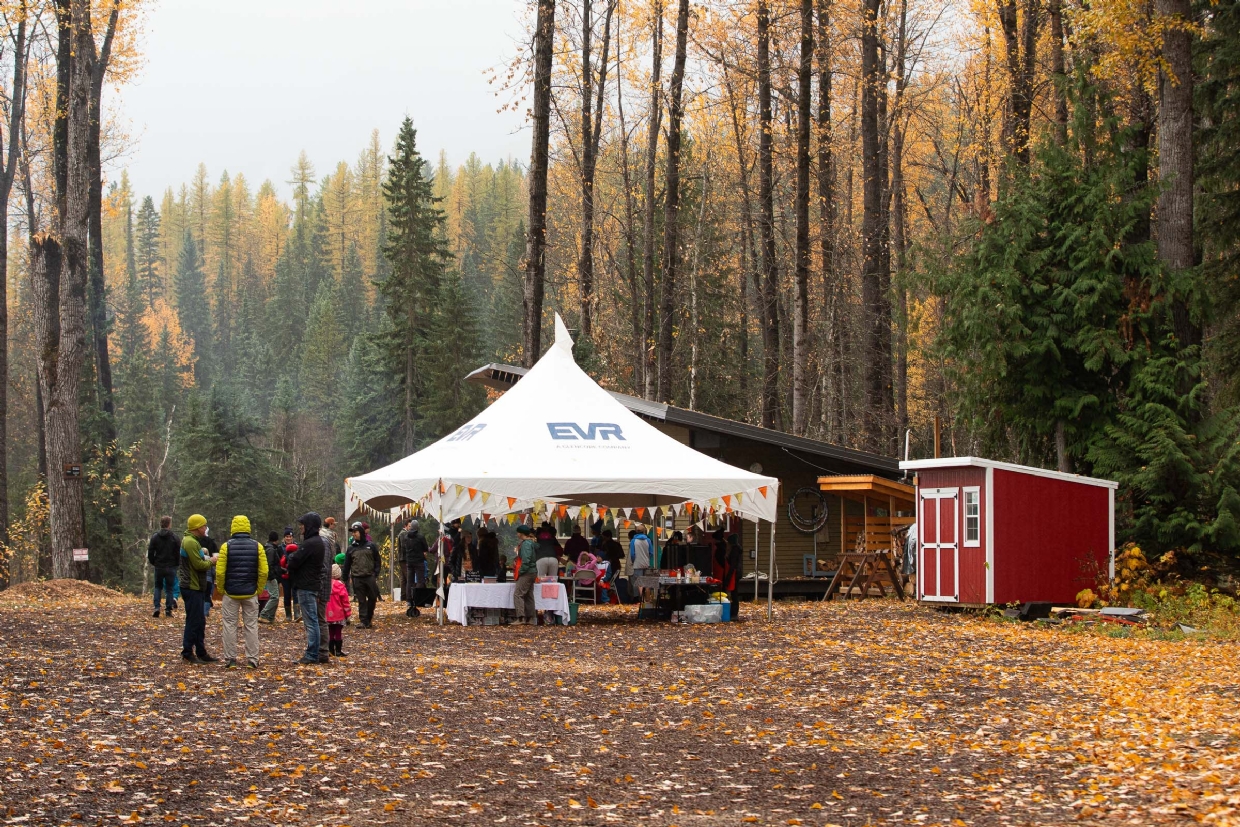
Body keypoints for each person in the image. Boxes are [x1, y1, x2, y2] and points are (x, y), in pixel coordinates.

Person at [215, 515, 268, 669]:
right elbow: (264, 571)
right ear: (248, 527)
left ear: (233, 527)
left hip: (230, 593)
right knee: (251, 625)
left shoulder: (226, 546)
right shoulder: (258, 546)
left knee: (229, 625)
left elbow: (220, 572)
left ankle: (230, 659)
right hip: (251, 592)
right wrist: (258, 589)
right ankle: (252, 659)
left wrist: (221, 589)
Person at [178, 514, 218, 664]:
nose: (206, 528)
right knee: (193, 621)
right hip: (191, 586)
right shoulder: (189, 542)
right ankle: (187, 652)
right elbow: (198, 565)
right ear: (197, 527)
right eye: (204, 525)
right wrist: (213, 561)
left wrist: (204, 552)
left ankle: (201, 652)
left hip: (197, 586)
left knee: (200, 621)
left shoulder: (193, 542)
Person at [286, 513, 325, 665]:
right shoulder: (316, 542)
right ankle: (313, 652)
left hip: (306, 585)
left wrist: (291, 557)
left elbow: (294, 561)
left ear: (309, 525)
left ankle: (312, 654)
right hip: (310, 585)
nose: (300, 527)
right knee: (312, 620)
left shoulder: (310, 543)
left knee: (311, 621)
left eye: (303, 524)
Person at [344, 521, 381, 628]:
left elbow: (377, 560)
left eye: (355, 532)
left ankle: (368, 618)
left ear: (360, 532)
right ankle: (363, 621)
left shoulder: (371, 546)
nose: (353, 534)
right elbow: (347, 565)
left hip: (370, 576)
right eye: (352, 532)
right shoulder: (351, 548)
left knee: (373, 598)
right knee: (361, 600)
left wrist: (376, 573)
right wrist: (344, 578)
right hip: (357, 578)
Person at [147, 516, 181, 618]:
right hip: (171, 566)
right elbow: (177, 553)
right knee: (169, 589)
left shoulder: (155, 537)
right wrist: (176, 564)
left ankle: (157, 607)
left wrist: (154, 562)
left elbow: (150, 552)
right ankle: (168, 610)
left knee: (158, 587)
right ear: (169, 524)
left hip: (159, 566)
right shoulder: (174, 537)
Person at [317, 518, 340, 660]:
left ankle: (322, 651)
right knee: (322, 619)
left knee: (320, 619)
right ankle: (325, 650)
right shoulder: (329, 538)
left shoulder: (323, 538)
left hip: (321, 583)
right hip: (325, 582)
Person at [511, 524, 538, 625]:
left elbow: (526, 559)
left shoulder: (526, 544)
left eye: (518, 532)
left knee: (518, 594)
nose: (517, 534)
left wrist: (521, 571)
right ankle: (531, 618)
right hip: (532, 571)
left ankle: (521, 618)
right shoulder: (530, 543)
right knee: (528, 595)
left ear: (521, 533)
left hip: (527, 572)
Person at [402, 520, 429, 616]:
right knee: (420, 580)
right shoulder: (420, 537)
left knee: (409, 581)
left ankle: (409, 599)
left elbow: (404, 548)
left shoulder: (406, 537)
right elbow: (426, 548)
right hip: (419, 561)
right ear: (417, 527)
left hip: (409, 561)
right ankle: (418, 599)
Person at [325, 564, 351, 657]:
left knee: (330, 631)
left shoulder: (325, 584)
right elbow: (345, 601)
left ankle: (331, 650)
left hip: (327, 613)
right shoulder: (340, 585)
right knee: (338, 632)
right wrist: (348, 613)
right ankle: (339, 651)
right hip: (339, 613)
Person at [259, 531, 283, 623]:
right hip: (271, 577)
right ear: (276, 540)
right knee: (275, 597)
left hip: (272, 576)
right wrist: (273, 576)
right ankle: (263, 614)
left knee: (274, 597)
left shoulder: (269, 548)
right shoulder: (271, 550)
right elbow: (270, 565)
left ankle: (270, 618)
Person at [200, 527, 220, 620]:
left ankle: (199, 611)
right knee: (207, 594)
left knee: (199, 594)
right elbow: (217, 558)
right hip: (209, 575)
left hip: (197, 574)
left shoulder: (194, 541)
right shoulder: (211, 543)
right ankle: (205, 612)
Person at [725, 533, 743, 621]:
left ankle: (734, 612)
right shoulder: (737, 550)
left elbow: (733, 565)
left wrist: (727, 578)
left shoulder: (735, 551)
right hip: (737, 572)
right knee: (734, 593)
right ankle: (733, 611)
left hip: (735, 573)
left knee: (734, 593)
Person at [280, 526, 297, 621]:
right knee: (286, 594)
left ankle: (297, 614)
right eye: (286, 536)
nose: (288, 538)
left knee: (295, 593)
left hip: (295, 574)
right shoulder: (280, 548)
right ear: (284, 537)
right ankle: (288, 615)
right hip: (284, 574)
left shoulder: (297, 546)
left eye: (290, 536)